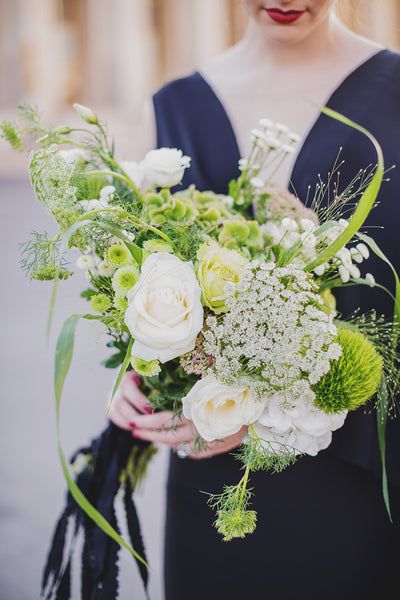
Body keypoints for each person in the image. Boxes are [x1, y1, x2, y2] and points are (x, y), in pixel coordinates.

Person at [109, 2, 400, 598]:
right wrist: (134, 367)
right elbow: (136, 274)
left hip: (357, 476)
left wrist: (266, 401)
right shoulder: (173, 106)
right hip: (213, 481)